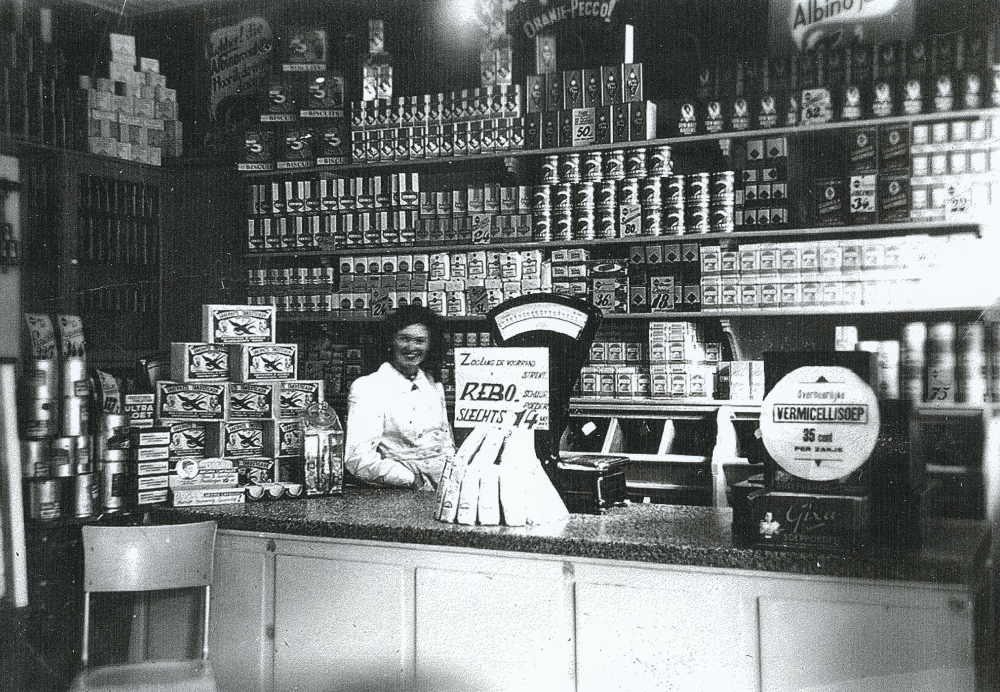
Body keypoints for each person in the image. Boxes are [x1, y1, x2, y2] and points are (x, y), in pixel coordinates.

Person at [344, 305, 455, 489]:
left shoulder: (434, 385)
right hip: (400, 488)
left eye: (420, 341)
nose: (412, 347)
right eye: (404, 339)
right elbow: (358, 459)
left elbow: (446, 443)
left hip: (442, 485)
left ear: (430, 345)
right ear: (390, 341)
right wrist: (410, 480)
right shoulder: (368, 387)